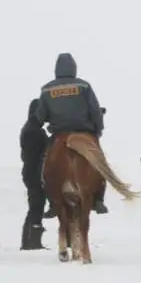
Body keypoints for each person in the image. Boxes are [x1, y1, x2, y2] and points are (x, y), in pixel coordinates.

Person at [36, 53, 109, 214]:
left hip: (59, 133)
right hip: (84, 132)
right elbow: (94, 111)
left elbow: (40, 115)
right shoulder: (84, 86)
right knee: (99, 162)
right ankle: (98, 199)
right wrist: (98, 129)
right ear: (74, 68)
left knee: (45, 165)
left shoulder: (46, 89)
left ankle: (52, 203)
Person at [19, 99, 49, 250]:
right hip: (34, 173)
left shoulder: (31, 128)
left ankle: (30, 241)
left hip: (31, 172)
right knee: (36, 206)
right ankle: (31, 241)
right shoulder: (34, 131)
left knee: (36, 205)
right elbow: (35, 155)